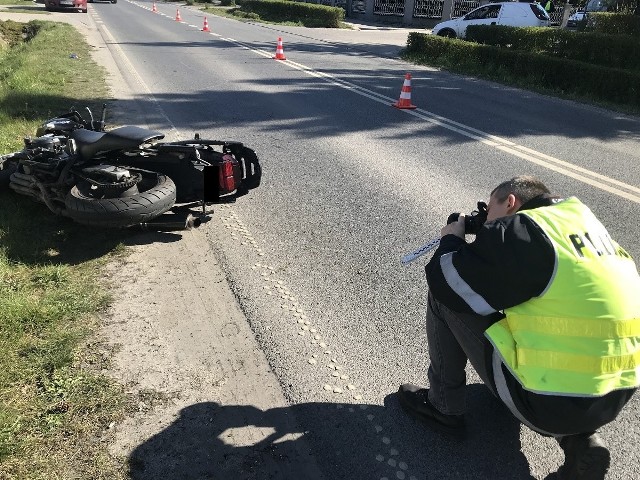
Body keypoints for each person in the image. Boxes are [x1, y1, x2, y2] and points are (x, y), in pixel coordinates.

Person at [398, 176, 639, 480]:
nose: (489, 224)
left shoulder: (524, 230)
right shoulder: (582, 225)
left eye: (491, 212)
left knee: (447, 297)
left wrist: (452, 239)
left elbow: (446, 279)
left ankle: (442, 407)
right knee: (543, 313)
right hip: (615, 395)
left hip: (548, 403)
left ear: (510, 202)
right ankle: (579, 440)